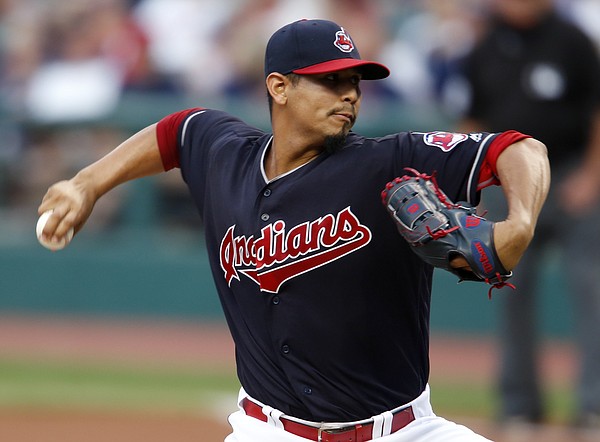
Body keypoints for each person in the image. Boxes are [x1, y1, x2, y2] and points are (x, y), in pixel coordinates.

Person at [38, 19, 549, 442]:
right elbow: (175, 131)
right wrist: (86, 184)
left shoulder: (389, 161)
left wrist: (520, 223)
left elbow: (521, 149)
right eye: (330, 81)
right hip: (268, 431)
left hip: (401, 432)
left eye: (354, 82)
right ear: (279, 86)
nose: (349, 95)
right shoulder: (224, 153)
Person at [458, 0, 600, 435]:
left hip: (570, 176)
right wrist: (468, 188)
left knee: (591, 289)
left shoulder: (572, 40)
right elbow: (472, 121)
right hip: (507, 185)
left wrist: (592, 176)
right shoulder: (483, 46)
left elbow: (597, 111)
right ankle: (519, 403)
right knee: (507, 291)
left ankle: (593, 404)